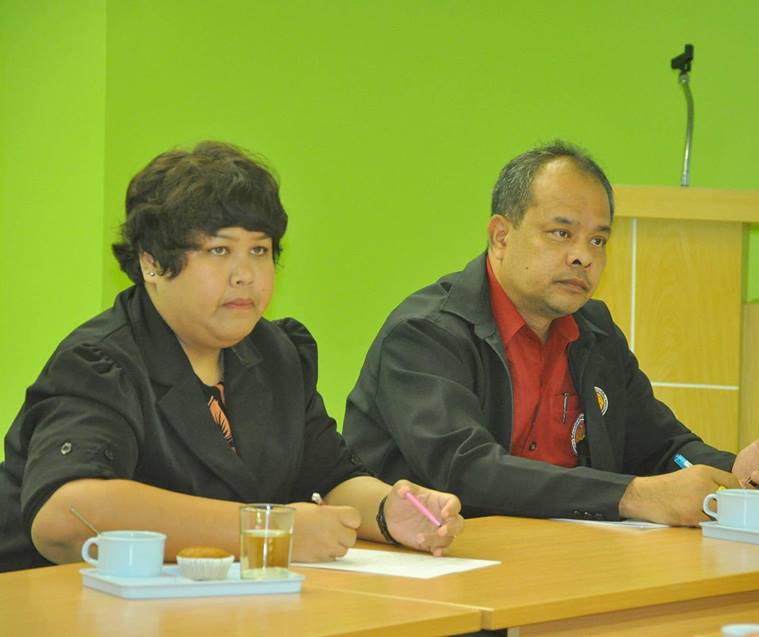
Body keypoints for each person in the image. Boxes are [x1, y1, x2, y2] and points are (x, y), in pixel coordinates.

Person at [0, 141, 463, 572]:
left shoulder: (276, 353)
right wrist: (264, 530)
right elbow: (66, 515)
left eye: (259, 250)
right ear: (151, 262)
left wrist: (389, 511)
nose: (246, 275)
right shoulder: (100, 363)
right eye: (219, 250)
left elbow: (329, 475)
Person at [343, 140, 759, 525]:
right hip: (441, 564)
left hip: (560, 557)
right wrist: (631, 496)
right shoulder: (426, 335)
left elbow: (660, 447)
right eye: (561, 233)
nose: (582, 257)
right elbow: (467, 471)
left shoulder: (595, 333)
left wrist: (735, 473)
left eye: (598, 240)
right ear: (501, 236)